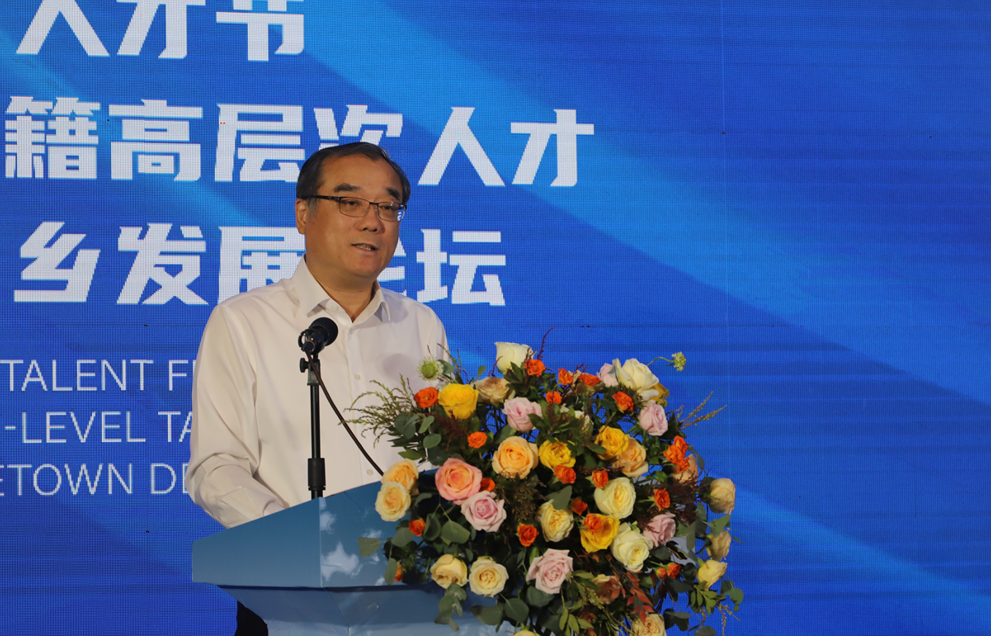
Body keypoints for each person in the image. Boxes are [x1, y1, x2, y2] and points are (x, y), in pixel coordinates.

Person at [186, 143, 447, 635]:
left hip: (410, 595)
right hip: (291, 596)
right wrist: (303, 545)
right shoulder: (244, 321)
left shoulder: (420, 324)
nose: (372, 221)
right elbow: (215, 467)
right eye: (350, 202)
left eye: (388, 206)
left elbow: (442, 458)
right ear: (303, 214)